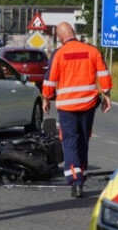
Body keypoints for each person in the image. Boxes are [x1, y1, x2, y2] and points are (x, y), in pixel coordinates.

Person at [42, 22, 112, 198]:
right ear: (73, 32)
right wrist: (106, 95)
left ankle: (76, 179)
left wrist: (46, 98)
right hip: (88, 104)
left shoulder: (59, 54)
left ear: (60, 37)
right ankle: (82, 171)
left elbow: (50, 80)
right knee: (83, 139)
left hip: (67, 107)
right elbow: (103, 73)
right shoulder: (91, 50)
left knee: (70, 141)